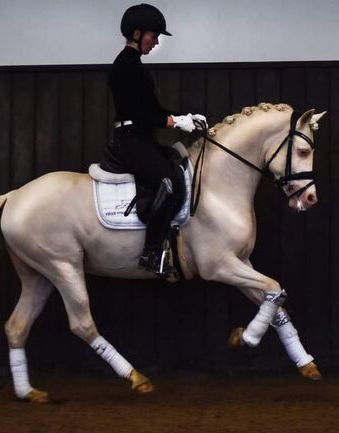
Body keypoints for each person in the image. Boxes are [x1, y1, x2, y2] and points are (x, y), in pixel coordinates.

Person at [103, 3, 206, 276]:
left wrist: (186, 118)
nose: (156, 41)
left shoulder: (135, 65)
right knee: (168, 182)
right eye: (153, 36)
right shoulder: (125, 66)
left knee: (174, 165)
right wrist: (175, 122)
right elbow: (142, 113)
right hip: (130, 140)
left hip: (140, 136)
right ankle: (151, 252)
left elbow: (155, 111)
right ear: (136, 34)